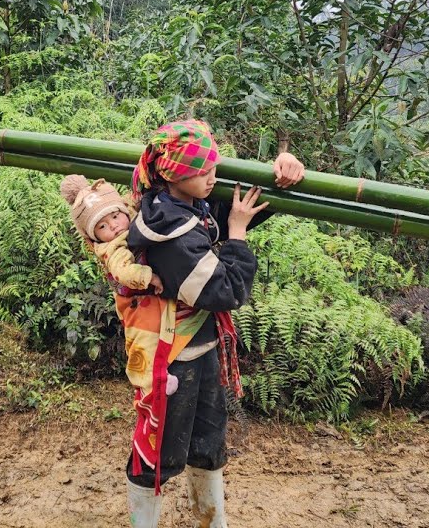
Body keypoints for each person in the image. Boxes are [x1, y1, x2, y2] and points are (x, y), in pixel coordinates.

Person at [121, 118, 305, 528]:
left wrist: (283, 169)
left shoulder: (187, 203)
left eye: (214, 168)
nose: (213, 178)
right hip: (170, 362)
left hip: (201, 350)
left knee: (207, 444)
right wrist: (237, 235)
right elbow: (226, 292)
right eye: (202, 171)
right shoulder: (167, 229)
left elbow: (224, 215)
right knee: (158, 454)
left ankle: (211, 520)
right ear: (175, 174)